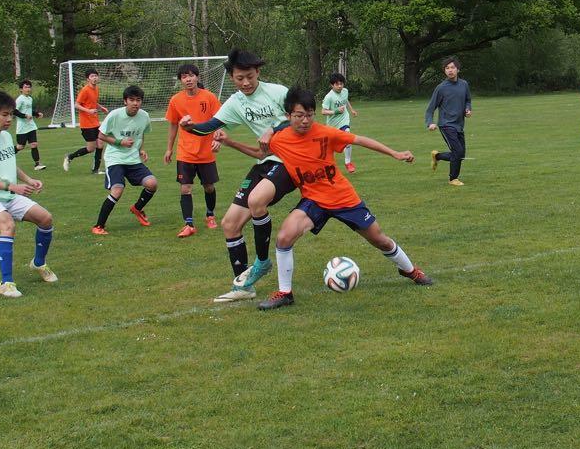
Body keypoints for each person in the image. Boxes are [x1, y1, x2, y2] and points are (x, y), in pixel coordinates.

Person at [240, 88, 433, 310]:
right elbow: (259, 153)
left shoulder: (325, 133)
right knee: (284, 237)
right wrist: (229, 142)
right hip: (314, 200)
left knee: (379, 239)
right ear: (288, 116)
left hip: (343, 198)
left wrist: (395, 153)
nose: (305, 120)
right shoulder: (280, 139)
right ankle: (285, 293)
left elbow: (360, 140)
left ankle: (410, 270)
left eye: (310, 114)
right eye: (299, 115)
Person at [178, 49, 295, 303]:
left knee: (256, 201)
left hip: (291, 160)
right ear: (232, 77)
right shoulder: (235, 102)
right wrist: (190, 127)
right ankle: (244, 286)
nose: (246, 83)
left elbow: (299, 116)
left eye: (250, 77)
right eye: (240, 78)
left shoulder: (277, 92)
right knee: (230, 224)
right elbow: (209, 127)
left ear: (258, 73)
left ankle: (262, 262)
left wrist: (273, 130)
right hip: (265, 162)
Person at [0, 90, 57, 297]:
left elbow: (10, 164)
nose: (9, 119)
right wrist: (12, 187)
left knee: (45, 219)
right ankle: (6, 283)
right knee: (7, 225)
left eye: (11, 114)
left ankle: (38, 263)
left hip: (8, 193)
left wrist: (28, 180)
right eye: (4, 115)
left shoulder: (7, 136)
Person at [164, 63, 222, 237]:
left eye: (191, 75)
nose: (188, 79)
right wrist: (169, 149)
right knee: (185, 188)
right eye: (184, 76)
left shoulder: (209, 97)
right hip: (185, 152)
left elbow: (219, 120)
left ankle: (210, 215)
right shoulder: (176, 100)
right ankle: (188, 224)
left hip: (206, 152)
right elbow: (173, 125)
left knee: (209, 187)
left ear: (197, 77)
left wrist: (217, 137)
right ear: (181, 80)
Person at [91, 85, 157, 235]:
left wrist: (141, 149)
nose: (135, 103)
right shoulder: (115, 115)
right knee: (117, 189)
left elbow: (141, 134)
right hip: (115, 159)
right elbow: (101, 135)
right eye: (132, 100)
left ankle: (137, 209)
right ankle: (98, 226)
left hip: (133, 159)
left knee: (152, 183)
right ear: (125, 101)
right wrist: (120, 142)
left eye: (138, 100)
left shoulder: (144, 116)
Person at [426, 58, 471, 186]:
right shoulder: (441, 88)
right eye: (447, 68)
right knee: (457, 152)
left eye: (452, 67)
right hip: (446, 125)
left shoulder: (464, 85)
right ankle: (453, 179)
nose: (450, 70)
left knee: (461, 154)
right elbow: (430, 109)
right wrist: (430, 123)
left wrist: (468, 109)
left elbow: (468, 100)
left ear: (458, 69)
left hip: (459, 125)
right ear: (444, 71)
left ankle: (437, 156)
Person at [63, 70, 107, 173]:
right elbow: (76, 105)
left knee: (100, 144)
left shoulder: (96, 89)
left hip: (95, 122)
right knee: (91, 148)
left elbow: (93, 102)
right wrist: (89, 111)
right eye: (92, 76)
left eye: (96, 76)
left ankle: (95, 170)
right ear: (88, 79)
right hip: (86, 124)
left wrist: (101, 107)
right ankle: (70, 156)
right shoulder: (85, 90)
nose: (95, 78)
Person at [321, 72, 360, 173]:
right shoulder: (329, 97)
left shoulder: (345, 91)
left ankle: (348, 163)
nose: (339, 86)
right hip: (332, 124)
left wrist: (351, 110)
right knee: (331, 148)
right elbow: (323, 111)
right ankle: (329, 166)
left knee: (348, 139)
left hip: (344, 120)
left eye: (341, 84)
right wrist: (335, 111)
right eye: (337, 84)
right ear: (332, 85)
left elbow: (345, 100)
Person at [14, 79, 47, 170]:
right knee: (20, 146)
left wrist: (36, 114)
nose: (28, 89)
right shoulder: (20, 99)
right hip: (22, 127)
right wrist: (25, 116)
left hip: (31, 126)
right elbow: (14, 111)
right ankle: (5, 157)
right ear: (21, 89)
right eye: (26, 87)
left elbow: (28, 111)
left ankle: (37, 165)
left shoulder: (30, 99)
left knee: (34, 144)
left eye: (29, 87)